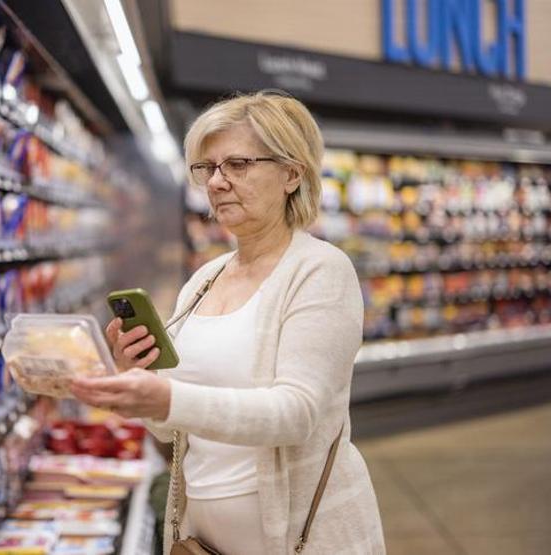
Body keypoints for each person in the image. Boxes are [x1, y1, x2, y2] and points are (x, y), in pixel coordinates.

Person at [70, 91, 385, 554]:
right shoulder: (204, 279)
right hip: (203, 541)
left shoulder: (320, 271)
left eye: (238, 165)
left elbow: (295, 414)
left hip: (300, 540)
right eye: (208, 168)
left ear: (291, 174)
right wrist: (140, 384)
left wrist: (168, 396)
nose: (216, 182)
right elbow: (177, 429)